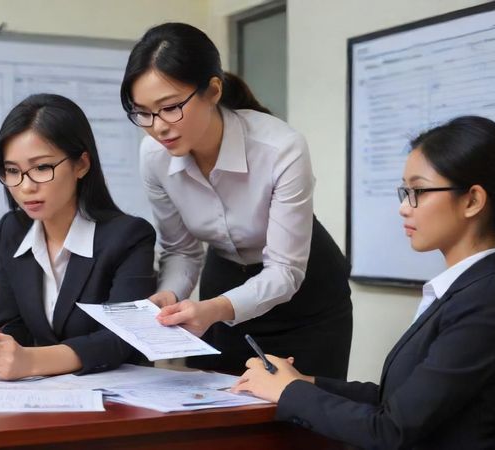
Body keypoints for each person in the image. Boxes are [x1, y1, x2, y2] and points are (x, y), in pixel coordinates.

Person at [233, 116, 495, 449]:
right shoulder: (467, 291)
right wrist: (301, 381)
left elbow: (390, 430)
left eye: (419, 192)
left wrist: (287, 391)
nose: (403, 208)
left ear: (472, 200)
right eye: (405, 191)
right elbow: (394, 399)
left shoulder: (488, 303)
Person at [120, 22, 352, 377]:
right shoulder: (154, 156)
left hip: (306, 296)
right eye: (143, 113)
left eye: (169, 108)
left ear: (212, 90)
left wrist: (214, 308)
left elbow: (285, 270)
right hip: (225, 282)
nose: (158, 127)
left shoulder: (280, 148)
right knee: (215, 411)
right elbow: (181, 250)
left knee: (305, 417)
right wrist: (169, 294)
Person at [0, 94, 156, 379]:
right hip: (45, 398)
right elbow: (14, 325)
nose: (25, 187)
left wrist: (32, 362)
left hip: (119, 400)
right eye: (12, 171)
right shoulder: (13, 229)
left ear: (81, 164)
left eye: (41, 168)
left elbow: (123, 338)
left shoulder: (129, 237)